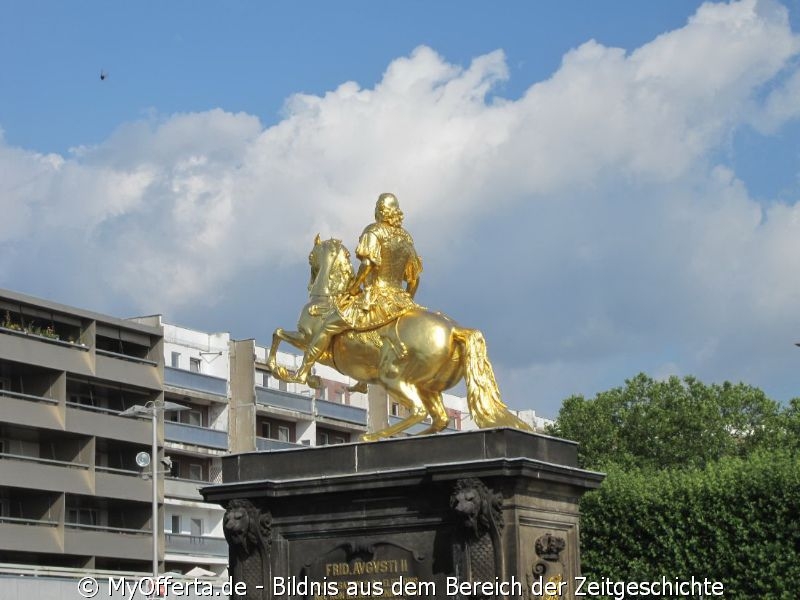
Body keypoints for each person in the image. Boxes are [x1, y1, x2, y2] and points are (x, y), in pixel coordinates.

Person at [289, 193, 423, 385]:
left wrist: (353, 288)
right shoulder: (406, 239)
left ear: (380, 210)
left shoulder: (374, 232)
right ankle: (362, 380)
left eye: (377, 205)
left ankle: (303, 372)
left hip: (376, 297)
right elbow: (414, 278)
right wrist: (407, 301)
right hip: (402, 301)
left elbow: (367, 265)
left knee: (327, 327)